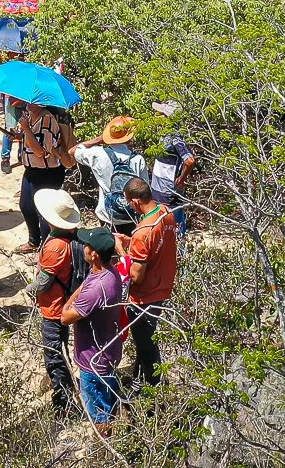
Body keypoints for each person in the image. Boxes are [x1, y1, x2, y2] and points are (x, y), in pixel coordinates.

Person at [56, 229, 127, 434]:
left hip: (93, 362)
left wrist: (69, 302)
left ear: (94, 254)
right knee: (108, 400)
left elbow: (65, 317)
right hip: (108, 352)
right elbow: (87, 287)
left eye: (87, 245)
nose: (83, 247)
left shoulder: (97, 289)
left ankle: (103, 445)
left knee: (98, 413)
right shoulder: (108, 271)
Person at [31, 189, 88, 412]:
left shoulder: (55, 246)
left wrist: (29, 290)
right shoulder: (72, 235)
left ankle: (63, 400)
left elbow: (44, 282)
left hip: (54, 307)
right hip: (64, 302)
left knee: (54, 352)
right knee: (61, 346)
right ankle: (64, 383)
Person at [123, 176, 180, 387]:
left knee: (146, 344)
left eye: (129, 202)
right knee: (146, 339)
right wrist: (131, 242)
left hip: (144, 296)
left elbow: (136, 276)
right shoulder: (165, 213)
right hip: (163, 286)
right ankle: (138, 378)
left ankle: (152, 389)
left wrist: (123, 251)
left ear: (136, 201)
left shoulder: (142, 232)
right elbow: (156, 245)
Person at [15, 99, 79, 250]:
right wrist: (20, 135)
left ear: (41, 104)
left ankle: (46, 247)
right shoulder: (30, 116)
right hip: (32, 169)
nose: (27, 104)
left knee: (44, 212)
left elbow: (41, 151)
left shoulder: (48, 121)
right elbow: (32, 140)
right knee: (26, 206)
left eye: (31, 102)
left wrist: (26, 129)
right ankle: (34, 241)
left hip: (47, 172)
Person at [75, 117, 148, 235]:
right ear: (129, 138)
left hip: (107, 215)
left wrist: (98, 140)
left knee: (109, 244)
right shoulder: (138, 159)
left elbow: (73, 151)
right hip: (131, 215)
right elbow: (145, 190)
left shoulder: (97, 154)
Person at [148, 101, 201, 235]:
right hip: (159, 191)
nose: (157, 116)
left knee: (173, 227)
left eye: (162, 114)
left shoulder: (175, 138)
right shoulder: (166, 134)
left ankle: (180, 246)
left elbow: (189, 161)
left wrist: (181, 180)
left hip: (168, 193)